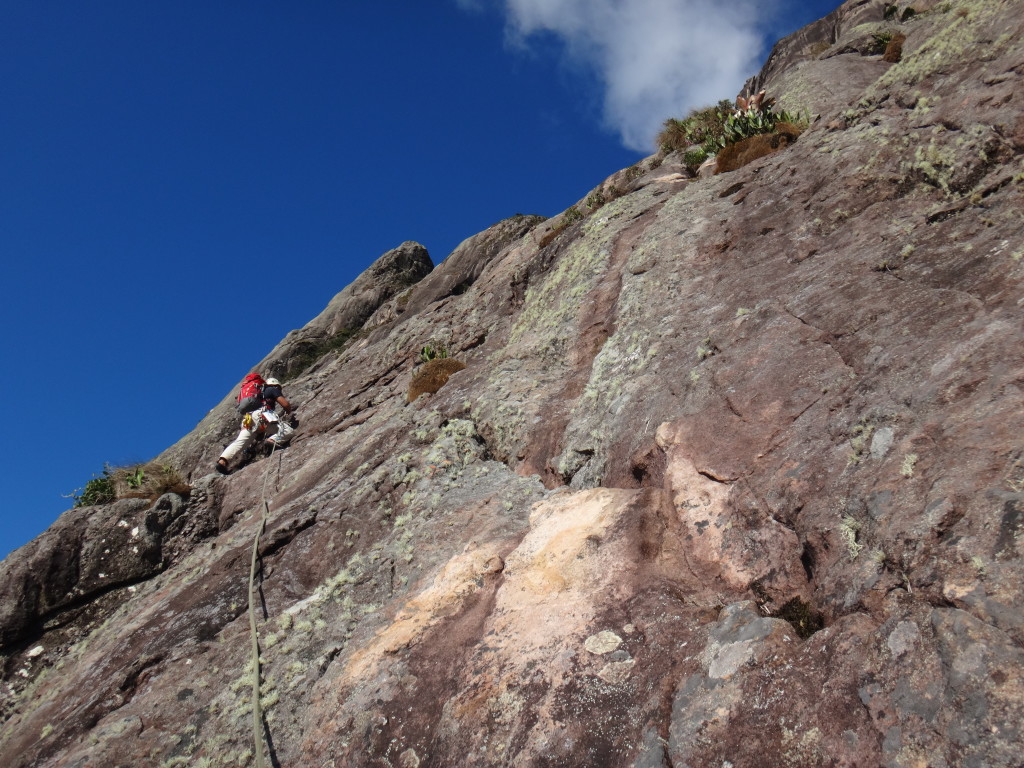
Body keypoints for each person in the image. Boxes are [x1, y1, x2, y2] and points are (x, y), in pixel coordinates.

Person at [216, 377, 296, 475]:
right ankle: (273, 440)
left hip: (248, 419)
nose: (279, 390)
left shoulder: (257, 393)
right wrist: (288, 411)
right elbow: (285, 404)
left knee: (240, 442)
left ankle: (223, 461)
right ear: (275, 385)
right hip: (262, 415)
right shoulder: (272, 389)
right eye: (279, 388)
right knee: (288, 431)